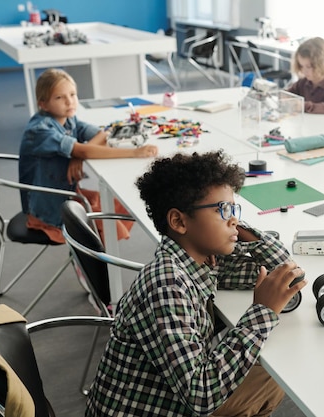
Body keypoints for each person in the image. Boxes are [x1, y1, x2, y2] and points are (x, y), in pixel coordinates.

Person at [86, 150, 307, 417]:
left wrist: (242, 229)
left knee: (269, 372)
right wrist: (262, 311)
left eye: (234, 209)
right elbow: (201, 395)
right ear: (179, 221)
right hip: (159, 406)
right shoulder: (166, 285)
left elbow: (286, 275)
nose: (234, 219)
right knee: (272, 374)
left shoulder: (203, 262)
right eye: (223, 210)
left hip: (172, 393)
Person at [19, 68, 158, 243]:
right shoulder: (40, 130)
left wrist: (77, 155)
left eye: (72, 94)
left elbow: (102, 134)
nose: (69, 102)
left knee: (119, 205)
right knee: (105, 215)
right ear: (43, 104)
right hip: (48, 211)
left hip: (66, 194)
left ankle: (93, 252)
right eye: (59, 97)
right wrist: (134, 152)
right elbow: (86, 148)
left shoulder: (69, 119)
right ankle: (91, 260)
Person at [286, 37, 324, 117]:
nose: (304, 71)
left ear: (322, 64)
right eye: (301, 66)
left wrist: (304, 106)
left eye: (309, 66)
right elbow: (286, 94)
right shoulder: (302, 82)